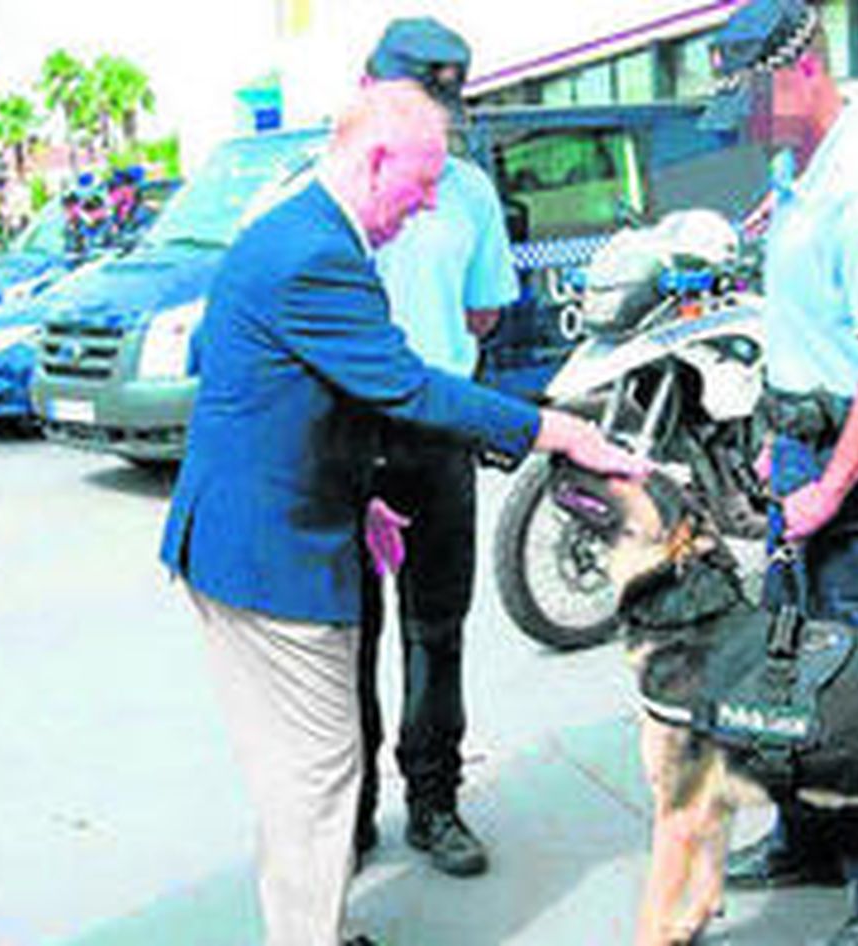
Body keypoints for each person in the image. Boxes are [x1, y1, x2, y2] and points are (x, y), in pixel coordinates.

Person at [159, 80, 648, 946]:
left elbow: (301, 395)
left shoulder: (306, 232)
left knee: (299, 773)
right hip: (270, 557)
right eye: (421, 186)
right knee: (317, 774)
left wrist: (363, 493)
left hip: (262, 529)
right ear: (373, 159)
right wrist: (560, 430)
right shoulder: (315, 252)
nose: (426, 209)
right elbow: (405, 385)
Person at [700, 2, 858, 944]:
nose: (747, 128)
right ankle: (806, 838)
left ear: (799, 75)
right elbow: (803, 325)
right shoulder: (794, 174)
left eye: (753, 105)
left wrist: (831, 485)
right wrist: (778, 434)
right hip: (802, 448)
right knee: (789, 668)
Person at [351, 15, 517, 880]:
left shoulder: (469, 191)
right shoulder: (325, 182)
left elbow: (485, 309)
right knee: (344, 637)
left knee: (435, 631)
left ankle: (433, 800)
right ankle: (346, 814)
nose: (442, 122)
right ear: (372, 88)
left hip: (438, 432)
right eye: (426, 98)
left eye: (449, 103)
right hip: (345, 438)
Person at [107, 165, 156, 252]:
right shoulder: (126, 188)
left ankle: (124, 238)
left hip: (124, 212)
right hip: (124, 213)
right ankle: (123, 238)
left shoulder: (127, 186)